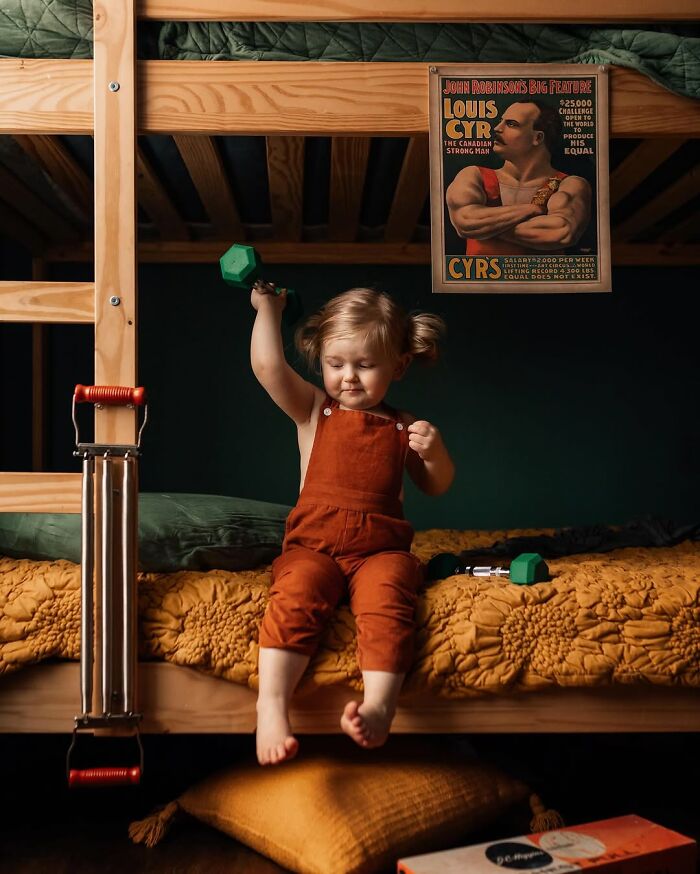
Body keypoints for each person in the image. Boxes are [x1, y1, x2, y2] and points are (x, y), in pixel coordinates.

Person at [250, 286, 454, 765]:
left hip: (378, 553)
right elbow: (267, 368)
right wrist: (267, 310)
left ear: (398, 367)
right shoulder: (313, 411)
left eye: (365, 365)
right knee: (296, 589)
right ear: (321, 359)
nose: (348, 377)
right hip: (312, 549)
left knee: (390, 594)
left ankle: (380, 706)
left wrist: (436, 452)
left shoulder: (403, 426)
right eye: (336, 363)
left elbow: (434, 485)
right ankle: (272, 704)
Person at [445, 100, 592, 255]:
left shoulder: (570, 184)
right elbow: (466, 222)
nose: (497, 128)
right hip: (483, 278)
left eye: (511, 124)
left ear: (538, 138)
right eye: (501, 121)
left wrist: (485, 228)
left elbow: (561, 232)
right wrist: (530, 209)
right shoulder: (474, 175)